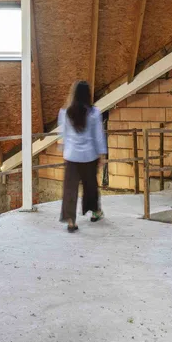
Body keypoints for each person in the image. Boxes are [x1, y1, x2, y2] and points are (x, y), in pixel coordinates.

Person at [58, 80, 107, 233]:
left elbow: (63, 135)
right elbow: (98, 135)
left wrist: (63, 151)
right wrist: (102, 154)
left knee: (69, 189)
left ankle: (71, 221)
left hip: (71, 156)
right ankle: (95, 212)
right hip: (89, 156)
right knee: (91, 186)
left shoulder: (65, 112)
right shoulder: (94, 113)